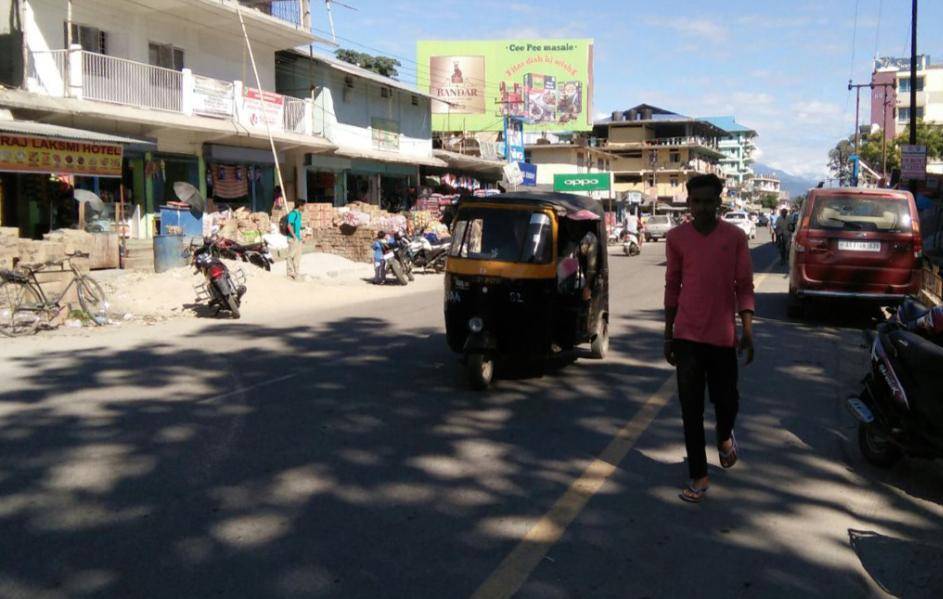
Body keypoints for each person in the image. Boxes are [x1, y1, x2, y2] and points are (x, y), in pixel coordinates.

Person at [664, 174, 755, 504]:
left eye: (708, 201)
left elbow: (744, 285)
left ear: (719, 202)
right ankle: (699, 475)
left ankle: (724, 438)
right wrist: (667, 334)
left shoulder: (735, 238)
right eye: (696, 201)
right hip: (687, 336)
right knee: (691, 409)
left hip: (722, 338)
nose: (702, 208)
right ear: (689, 203)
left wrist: (747, 329)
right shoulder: (676, 238)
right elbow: (672, 286)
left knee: (727, 401)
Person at [286, 199, 304, 280]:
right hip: (293, 239)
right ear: (300, 206)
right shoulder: (293, 214)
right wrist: (294, 236)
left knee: (297, 257)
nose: (304, 207)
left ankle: (296, 273)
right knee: (290, 256)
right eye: (303, 206)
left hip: (298, 238)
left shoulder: (299, 214)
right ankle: (290, 273)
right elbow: (289, 225)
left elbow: (298, 227)